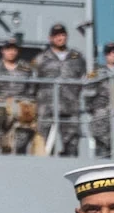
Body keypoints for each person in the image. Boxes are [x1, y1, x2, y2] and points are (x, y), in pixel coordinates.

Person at [32, 22, 88, 155]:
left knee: (72, 147)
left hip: (70, 109)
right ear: (50, 38)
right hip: (47, 109)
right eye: (56, 36)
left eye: (62, 35)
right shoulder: (40, 59)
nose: (60, 38)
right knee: (45, 148)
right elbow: (33, 84)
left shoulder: (77, 58)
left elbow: (84, 80)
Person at [0, 38, 38, 155]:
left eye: (14, 49)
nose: (11, 52)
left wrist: (23, 102)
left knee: (21, 142)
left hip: (21, 111)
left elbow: (32, 90)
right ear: (3, 51)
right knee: (1, 143)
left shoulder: (27, 69)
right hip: (1, 111)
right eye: (8, 49)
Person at [86, 42, 114, 158]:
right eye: (110, 53)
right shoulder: (97, 73)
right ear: (105, 55)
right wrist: (94, 110)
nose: (113, 55)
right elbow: (88, 93)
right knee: (103, 149)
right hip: (102, 116)